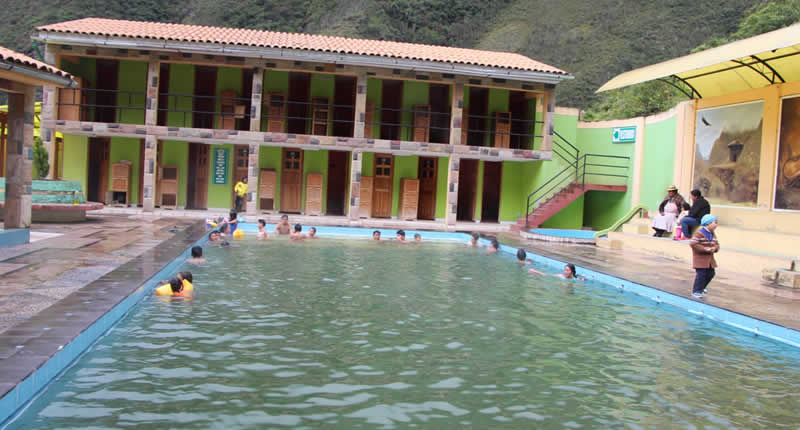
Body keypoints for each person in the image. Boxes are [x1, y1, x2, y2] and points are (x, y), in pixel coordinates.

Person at [690, 214, 720, 298]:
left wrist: (715, 248)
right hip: (700, 260)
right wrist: (705, 249)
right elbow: (693, 243)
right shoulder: (700, 233)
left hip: (710, 260)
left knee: (711, 273)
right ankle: (696, 291)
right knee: (701, 275)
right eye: (715, 223)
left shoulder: (712, 234)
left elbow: (717, 244)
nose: (716, 225)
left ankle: (702, 287)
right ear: (708, 223)